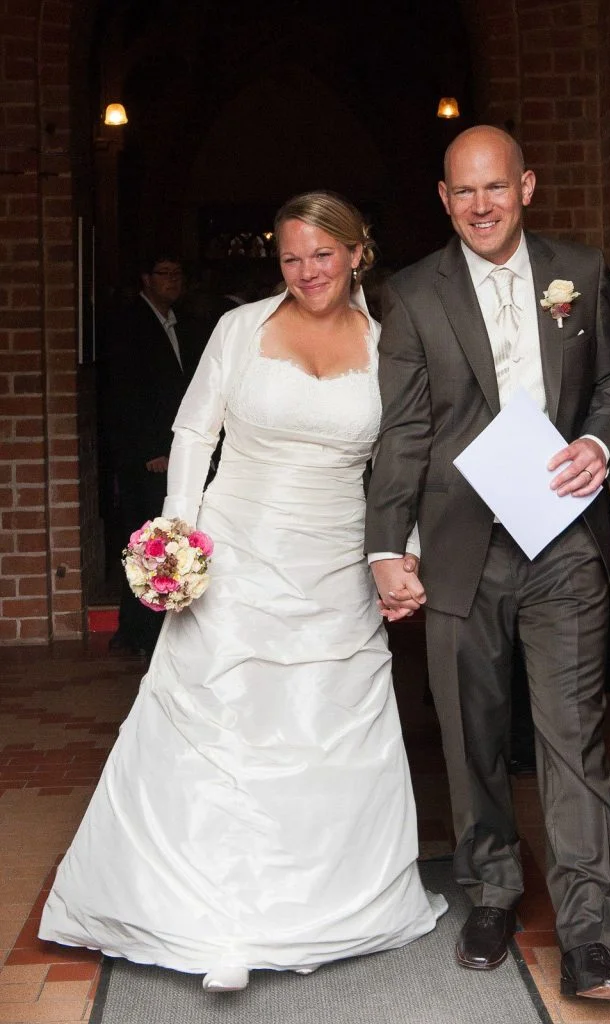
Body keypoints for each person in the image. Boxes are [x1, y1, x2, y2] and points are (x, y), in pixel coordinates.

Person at [39, 191, 446, 992]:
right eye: (291, 257)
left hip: (335, 556)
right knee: (223, 722)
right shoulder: (239, 328)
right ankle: (215, 916)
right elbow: (196, 432)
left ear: (358, 252)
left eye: (323, 255)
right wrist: (176, 538)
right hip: (238, 548)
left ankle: (325, 903)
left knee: (327, 724)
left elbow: (401, 462)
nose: (307, 272)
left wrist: (403, 553)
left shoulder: (391, 342)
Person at [365, 126, 610, 1000]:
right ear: (443, 201)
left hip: (562, 540)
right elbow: (405, 430)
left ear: (526, 185)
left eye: (496, 187)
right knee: (472, 735)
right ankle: (489, 890)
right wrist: (385, 545)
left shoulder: (583, 271)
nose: (481, 205)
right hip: (460, 546)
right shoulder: (410, 295)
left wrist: (600, 441)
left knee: (573, 739)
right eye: (463, 192)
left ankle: (590, 933)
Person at [105, 252, 207, 656]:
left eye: (178, 273)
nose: (173, 280)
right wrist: (149, 448)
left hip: (174, 449)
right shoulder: (129, 324)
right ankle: (140, 633)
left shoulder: (179, 322)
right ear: (145, 278)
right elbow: (125, 391)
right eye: (164, 273)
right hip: (148, 455)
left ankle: (150, 630)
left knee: (164, 537)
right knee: (147, 541)